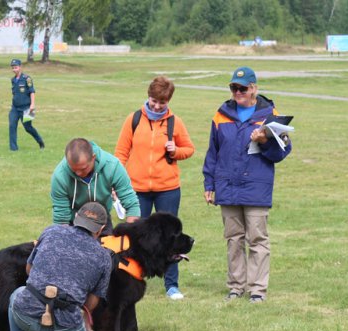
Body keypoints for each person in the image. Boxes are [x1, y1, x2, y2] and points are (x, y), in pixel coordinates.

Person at [203, 66, 292, 303]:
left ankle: (257, 289)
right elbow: (213, 152)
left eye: (243, 88)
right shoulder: (221, 115)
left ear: (254, 88)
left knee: (257, 239)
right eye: (234, 88)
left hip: (256, 187)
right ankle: (235, 286)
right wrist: (209, 183)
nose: (238, 92)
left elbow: (282, 152)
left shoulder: (270, 115)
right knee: (233, 239)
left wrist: (264, 141)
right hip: (227, 186)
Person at [114, 75, 196, 300]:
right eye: (153, 100)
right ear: (148, 96)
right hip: (137, 189)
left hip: (167, 188)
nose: (157, 106)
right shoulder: (134, 119)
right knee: (134, 235)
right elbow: (121, 153)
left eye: (162, 102)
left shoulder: (174, 122)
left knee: (171, 238)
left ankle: (172, 285)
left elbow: (189, 148)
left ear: (168, 101)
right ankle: (129, 277)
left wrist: (175, 150)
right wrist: (115, 181)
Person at [8, 202, 114, 331]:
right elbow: (91, 303)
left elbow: (29, 270)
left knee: (17, 294)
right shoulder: (104, 257)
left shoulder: (51, 231)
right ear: (100, 229)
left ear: (76, 218)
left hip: (25, 314)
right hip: (63, 326)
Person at [50, 138, 141, 234]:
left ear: (93, 157)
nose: (78, 173)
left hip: (102, 221)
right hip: (74, 222)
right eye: (74, 169)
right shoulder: (60, 176)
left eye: (83, 169)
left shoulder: (113, 167)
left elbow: (131, 204)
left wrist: (129, 235)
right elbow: (61, 218)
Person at [9, 58, 44, 152]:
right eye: (13, 68)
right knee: (12, 126)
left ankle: (40, 141)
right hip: (15, 108)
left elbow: (32, 92)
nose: (14, 69)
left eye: (15, 67)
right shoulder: (13, 80)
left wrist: (32, 105)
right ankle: (13, 149)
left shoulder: (27, 79)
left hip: (27, 108)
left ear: (20, 67)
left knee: (28, 128)